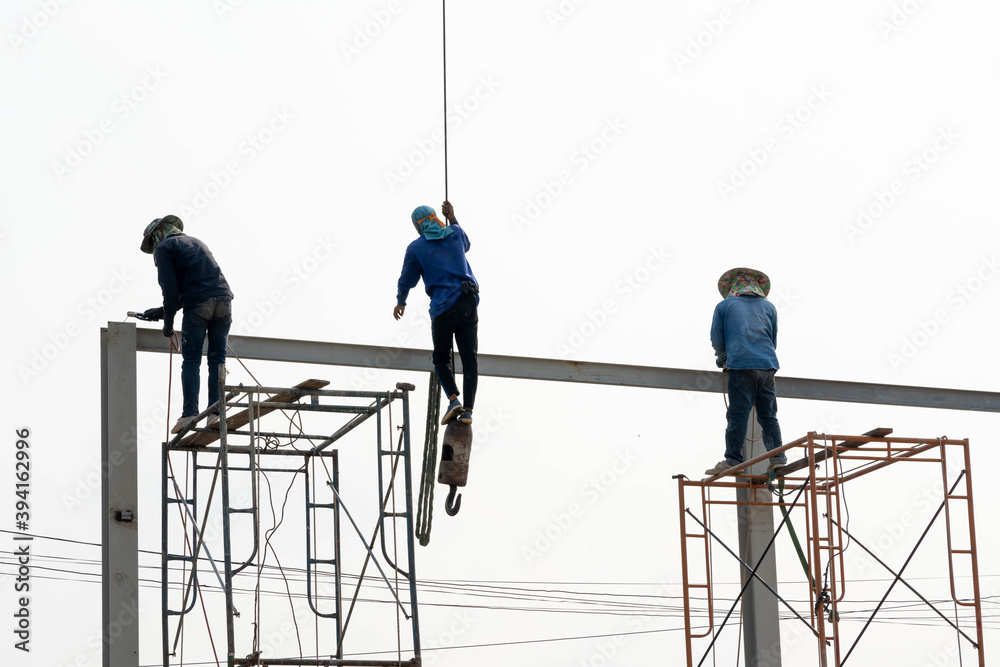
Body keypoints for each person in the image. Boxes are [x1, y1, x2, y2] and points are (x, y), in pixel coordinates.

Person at [139, 215, 235, 433]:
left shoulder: (164, 248)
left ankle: (189, 414)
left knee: (191, 359)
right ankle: (216, 412)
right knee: (217, 359)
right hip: (224, 302)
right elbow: (197, 287)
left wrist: (168, 323)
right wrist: (163, 312)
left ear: (157, 236)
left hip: (198, 307)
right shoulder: (196, 242)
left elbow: (171, 292)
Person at [394, 201, 480, 425]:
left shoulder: (415, 248)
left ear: (418, 226)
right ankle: (468, 411)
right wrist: (453, 218)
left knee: (441, 359)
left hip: (444, 308)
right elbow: (466, 244)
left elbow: (406, 281)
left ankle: (453, 400)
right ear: (435, 217)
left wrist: (400, 302)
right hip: (469, 301)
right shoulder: (455, 233)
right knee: (469, 359)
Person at [705, 267, 787, 476]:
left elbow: (717, 339)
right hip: (768, 365)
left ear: (733, 287)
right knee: (768, 416)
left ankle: (732, 459)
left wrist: (722, 357)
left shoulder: (724, 306)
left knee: (737, 414)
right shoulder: (769, 308)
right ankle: (777, 457)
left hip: (741, 366)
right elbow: (772, 339)